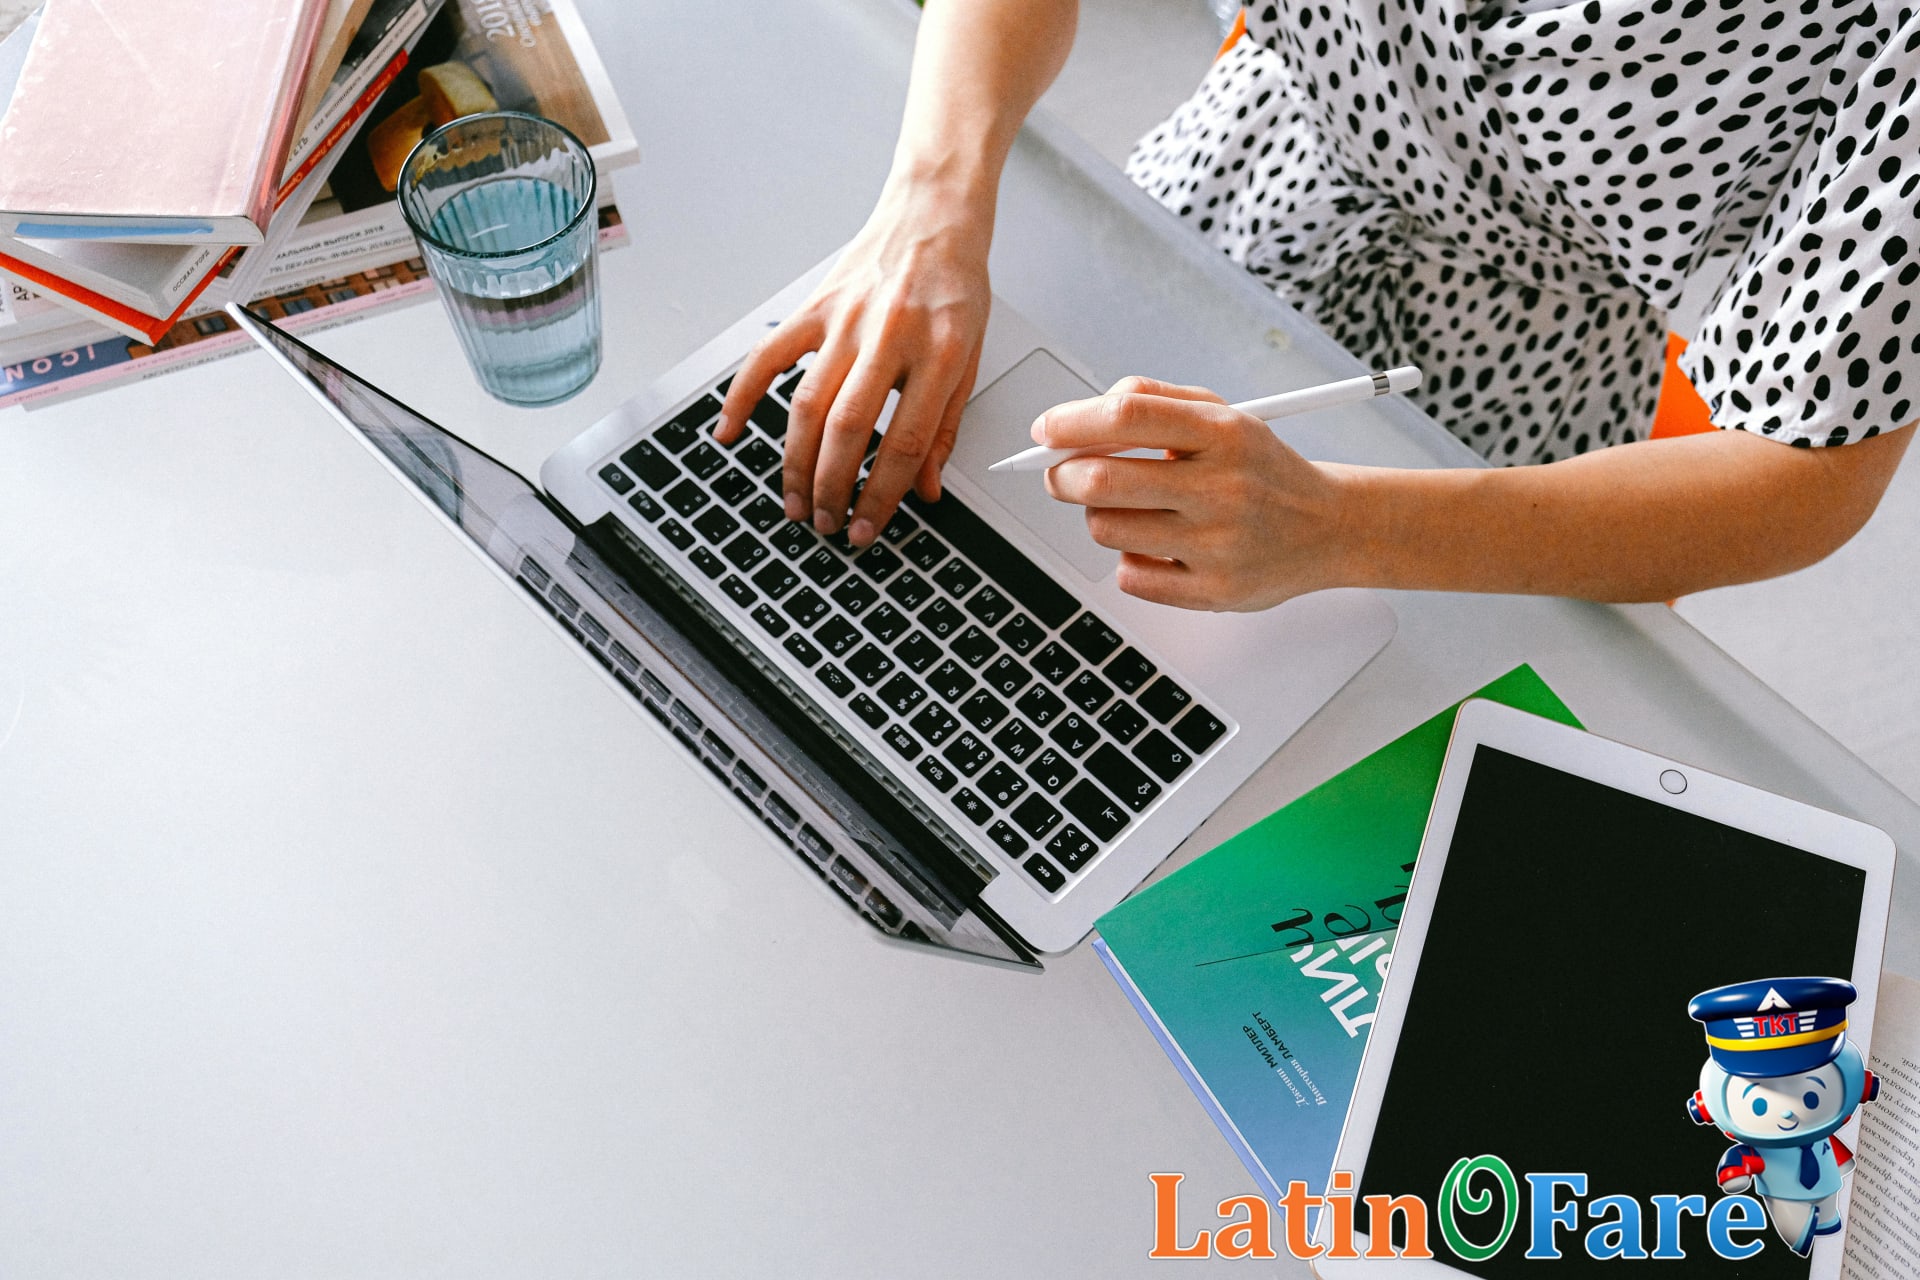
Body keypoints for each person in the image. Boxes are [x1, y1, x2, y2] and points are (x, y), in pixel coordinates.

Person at [717, 0, 1914, 611]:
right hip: (1212, 201)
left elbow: (1813, 468)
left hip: (1500, 439)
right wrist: (932, 200)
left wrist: (1345, 528)